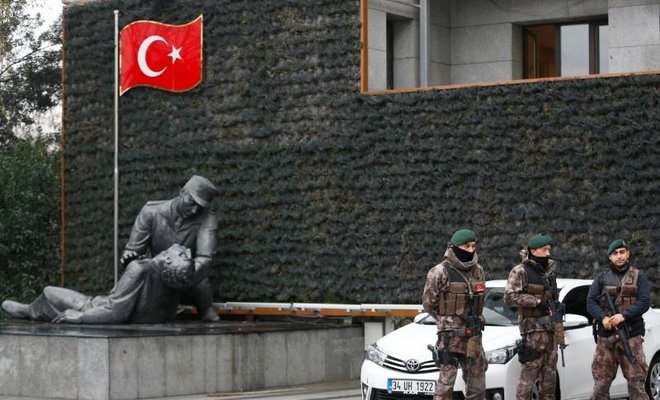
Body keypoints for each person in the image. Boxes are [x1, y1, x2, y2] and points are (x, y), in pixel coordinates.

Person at [1, 244, 195, 324]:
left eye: (180, 254)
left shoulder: (141, 268)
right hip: (117, 310)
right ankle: (30, 309)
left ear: (168, 261)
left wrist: (81, 317)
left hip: (95, 307)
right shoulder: (173, 281)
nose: (182, 248)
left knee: (49, 292)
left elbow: (115, 311)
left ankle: (28, 311)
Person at [120, 175, 220, 321]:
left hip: (189, 277)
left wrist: (184, 271)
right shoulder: (150, 212)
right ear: (182, 192)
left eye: (200, 207)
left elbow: (205, 259)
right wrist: (130, 257)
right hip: (157, 274)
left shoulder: (208, 219)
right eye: (192, 202)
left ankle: (205, 309)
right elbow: (133, 249)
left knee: (208, 309)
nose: (194, 210)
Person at [422, 228, 487, 400]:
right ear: (455, 247)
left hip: (473, 335)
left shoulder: (478, 270)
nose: (471, 250)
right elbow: (429, 303)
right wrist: (446, 319)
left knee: (478, 387)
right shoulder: (439, 271)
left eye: (473, 246)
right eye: (466, 246)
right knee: (445, 387)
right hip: (450, 337)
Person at [586, 239, 650, 400]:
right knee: (601, 384)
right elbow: (590, 302)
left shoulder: (638, 276)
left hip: (631, 337)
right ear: (610, 257)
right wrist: (603, 318)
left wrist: (624, 315)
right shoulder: (602, 278)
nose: (619, 256)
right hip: (606, 339)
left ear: (628, 254)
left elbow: (644, 301)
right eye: (615, 253)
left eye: (622, 252)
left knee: (636, 382)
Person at [504, 234, 563, 400]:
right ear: (533, 250)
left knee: (549, 379)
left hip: (550, 331)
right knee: (528, 379)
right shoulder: (520, 271)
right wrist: (536, 301)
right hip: (532, 332)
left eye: (549, 250)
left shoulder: (549, 273)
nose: (548, 253)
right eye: (544, 250)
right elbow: (510, 297)